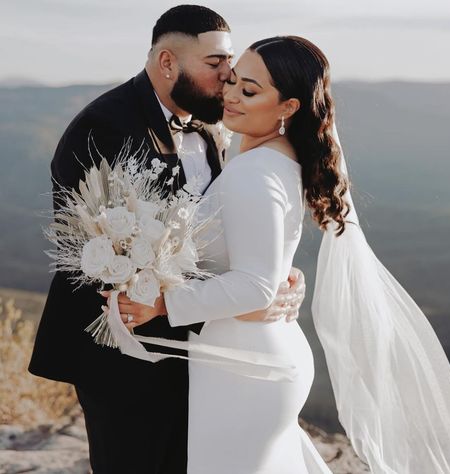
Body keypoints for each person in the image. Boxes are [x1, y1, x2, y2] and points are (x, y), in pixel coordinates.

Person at [115, 36, 450, 473]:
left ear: (287, 108)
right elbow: (264, 267)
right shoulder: (274, 158)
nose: (229, 95)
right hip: (249, 358)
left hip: (245, 367)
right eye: (231, 81)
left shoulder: (255, 173)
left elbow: (256, 285)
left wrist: (162, 303)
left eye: (249, 91)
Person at [29, 7, 305, 474]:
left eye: (230, 62)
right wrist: (246, 297)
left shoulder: (210, 125)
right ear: (167, 63)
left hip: (196, 345)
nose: (228, 76)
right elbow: (96, 254)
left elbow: (218, 229)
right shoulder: (107, 126)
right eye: (215, 63)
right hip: (121, 352)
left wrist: (276, 274)